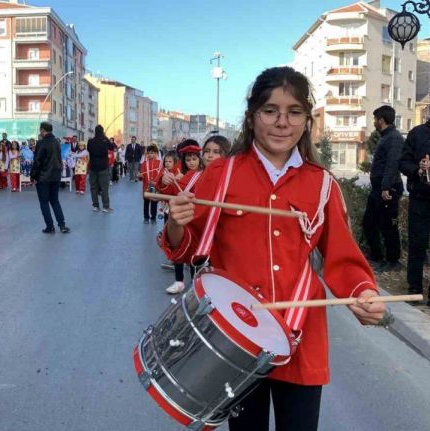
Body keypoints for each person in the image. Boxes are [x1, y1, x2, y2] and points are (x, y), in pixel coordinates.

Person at [163, 66, 386, 430]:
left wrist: (363, 293)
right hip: (237, 337)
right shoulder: (221, 175)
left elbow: (344, 257)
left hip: (301, 337)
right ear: (252, 118)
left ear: (306, 120)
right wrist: (176, 223)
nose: (282, 122)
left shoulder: (322, 184)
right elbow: (187, 249)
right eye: (270, 111)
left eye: (294, 112)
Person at [363, 105, 404, 273]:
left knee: (388, 226)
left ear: (381, 120)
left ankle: (393, 261)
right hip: (378, 188)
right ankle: (376, 256)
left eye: (375, 119)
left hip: (389, 189)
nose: (374, 122)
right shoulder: (385, 137)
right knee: (369, 223)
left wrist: (386, 187)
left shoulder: (394, 138)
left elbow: (393, 164)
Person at [157, 143, 203, 293]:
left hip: (195, 219)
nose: (191, 162)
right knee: (178, 249)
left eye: (194, 159)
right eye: (188, 159)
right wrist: (165, 180)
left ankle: (195, 284)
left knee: (193, 253)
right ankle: (179, 281)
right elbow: (168, 191)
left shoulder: (205, 175)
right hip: (180, 218)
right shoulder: (180, 175)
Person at [400, 115, 430, 305]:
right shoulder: (417, 133)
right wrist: (418, 170)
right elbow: (403, 163)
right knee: (417, 245)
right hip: (420, 198)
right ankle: (414, 289)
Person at [31, 122, 70, 234]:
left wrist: (33, 176)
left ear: (43, 130)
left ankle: (50, 226)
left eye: (40, 130)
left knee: (44, 202)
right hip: (55, 176)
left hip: (43, 177)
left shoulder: (41, 143)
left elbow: (37, 161)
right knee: (55, 201)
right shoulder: (57, 143)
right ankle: (62, 225)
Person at [87, 125, 115, 212]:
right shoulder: (105, 142)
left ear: (95, 132)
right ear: (102, 132)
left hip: (93, 167)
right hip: (103, 167)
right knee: (104, 188)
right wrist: (105, 137)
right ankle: (106, 207)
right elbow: (112, 147)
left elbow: (89, 150)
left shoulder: (90, 141)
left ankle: (95, 206)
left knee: (93, 187)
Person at [139, 145, 160, 223]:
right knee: (146, 203)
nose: (150, 155)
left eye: (152, 153)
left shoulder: (160, 164)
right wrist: (140, 176)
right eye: (148, 153)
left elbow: (161, 175)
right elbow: (141, 176)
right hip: (146, 187)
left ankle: (153, 218)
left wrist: (156, 182)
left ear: (156, 153)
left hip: (156, 188)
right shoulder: (144, 164)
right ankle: (146, 217)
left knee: (154, 203)